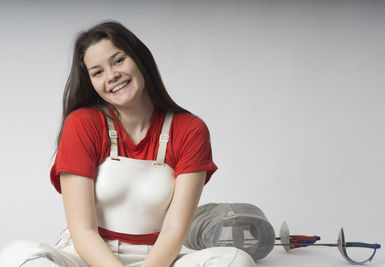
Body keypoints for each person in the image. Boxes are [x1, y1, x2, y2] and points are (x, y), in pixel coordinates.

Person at [0, 21, 256, 267]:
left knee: (237, 260)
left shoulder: (189, 130)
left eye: (119, 60)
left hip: (158, 259)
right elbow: (83, 230)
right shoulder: (83, 124)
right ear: (91, 82)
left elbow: (174, 230)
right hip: (86, 257)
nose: (112, 76)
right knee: (18, 254)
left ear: (139, 59)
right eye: (97, 72)